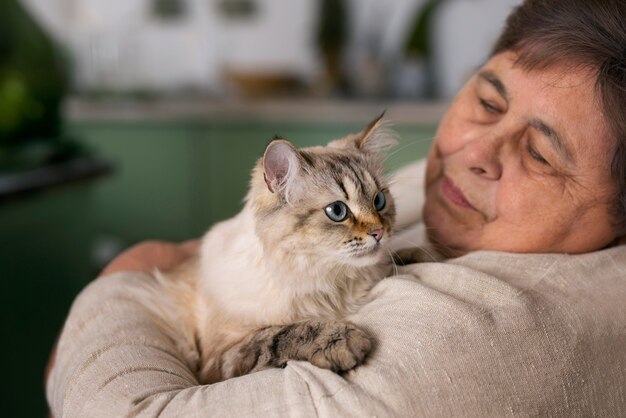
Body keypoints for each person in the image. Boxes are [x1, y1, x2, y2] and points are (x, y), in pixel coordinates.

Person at [46, 0, 626, 416]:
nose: (474, 150)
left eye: (540, 155)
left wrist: (129, 270)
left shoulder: (465, 351)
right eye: (486, 99)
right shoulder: (456, 204)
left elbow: (111, 406)